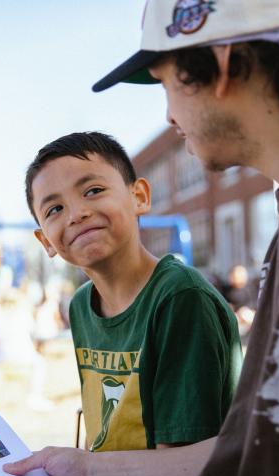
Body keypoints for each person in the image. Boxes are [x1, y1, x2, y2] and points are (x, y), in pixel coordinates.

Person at [4, 0, 279, 476]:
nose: (168, 115)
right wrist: (94, 472)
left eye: (167, 83)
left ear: (223, 65)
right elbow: (265, 450)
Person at [23, 131, 241, 453]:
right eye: (54, 209)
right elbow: (101, 431)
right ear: (46, 242)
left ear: (139, 197)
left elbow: (180, 468)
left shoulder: (180, 298)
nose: (76, 214)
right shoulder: (82, 306)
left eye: (93, 191)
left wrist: (88, 475)